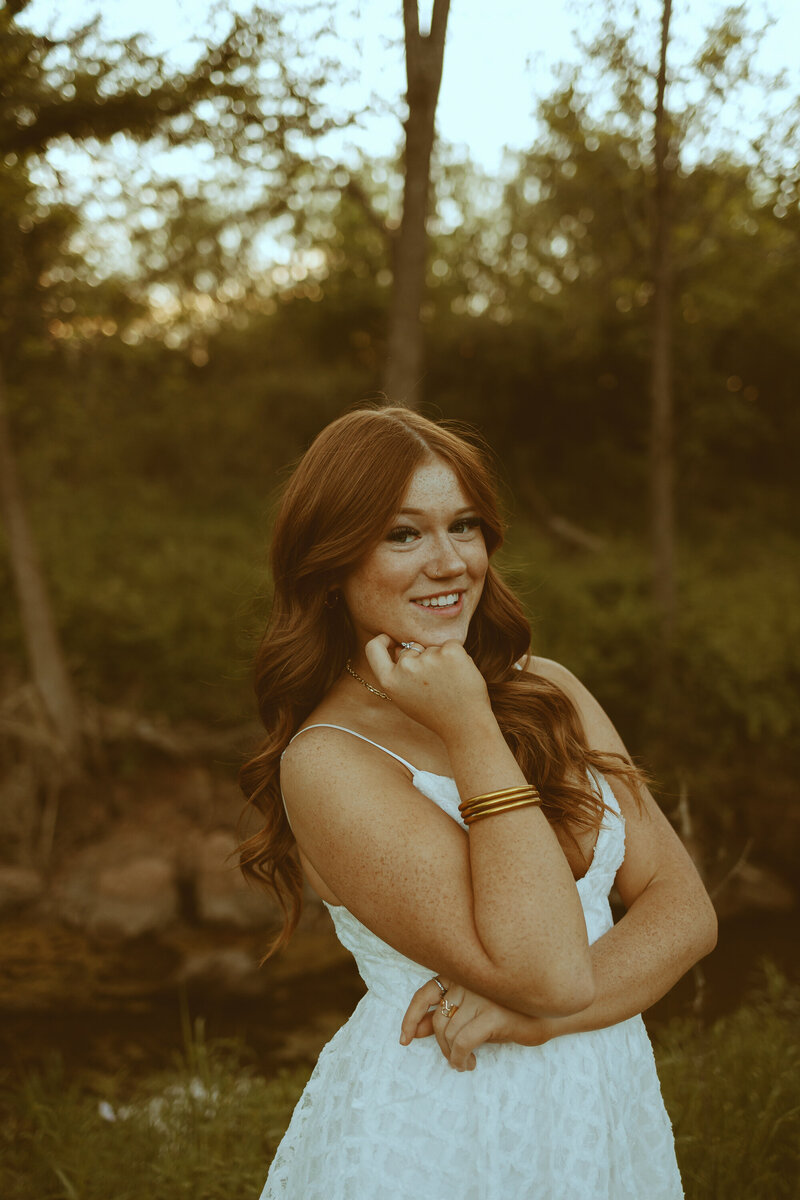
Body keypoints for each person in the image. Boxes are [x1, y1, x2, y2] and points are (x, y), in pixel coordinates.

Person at [240, 404, 717, 1200]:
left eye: (464, 526)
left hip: (598, 1104)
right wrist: (468, 727)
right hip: (439, 1123)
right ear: (329, 562)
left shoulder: (550, 688)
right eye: (403, 534)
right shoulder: (328, 762)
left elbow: (685, 912)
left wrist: (542, 1020)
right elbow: (544, 968)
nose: (449, 561)